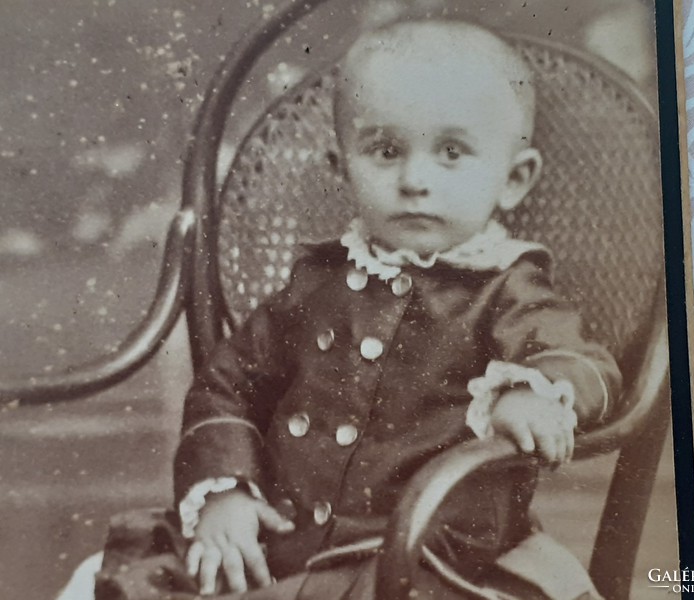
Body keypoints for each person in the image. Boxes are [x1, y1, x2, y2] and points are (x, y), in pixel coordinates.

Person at [95, 17, 619, 600]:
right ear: (341, 169)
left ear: (514, 180)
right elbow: (229, 384)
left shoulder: (506, 287)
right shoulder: (317, 281)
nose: (415, 179)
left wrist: (535, 392)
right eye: (386, 151)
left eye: (451, 152)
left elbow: (577, 357)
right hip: (282, 542)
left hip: (429, 558)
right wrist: (227, 491)